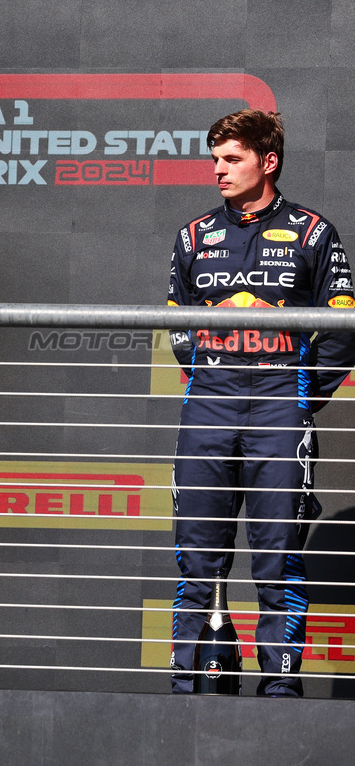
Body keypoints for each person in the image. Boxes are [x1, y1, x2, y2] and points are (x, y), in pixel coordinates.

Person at [167, 108, 355, 696]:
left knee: (276, 565)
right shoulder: (193, 236)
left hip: (279, 412)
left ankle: (280, 695)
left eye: (231, 159)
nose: (217, 171)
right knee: (198, 564)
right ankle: (189, 688)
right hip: (209, 409)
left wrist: (303, 393)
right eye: (214, 160)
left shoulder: (312, 232)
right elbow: (176, 326)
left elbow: (346, 325)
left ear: (267, 162)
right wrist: (212, 370)